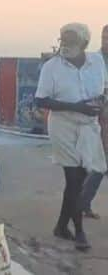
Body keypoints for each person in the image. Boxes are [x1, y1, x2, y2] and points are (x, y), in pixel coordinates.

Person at [35, 23, 106, 250]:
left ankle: (61, 226)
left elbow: (102, 91)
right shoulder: (52, 67)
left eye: (72, 42)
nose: (66, 46)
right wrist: (75, 107)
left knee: (81, 177)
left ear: (84, 43)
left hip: (88, 126)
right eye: (63, 41)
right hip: (63, 127)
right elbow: (41, 100)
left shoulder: (97, 62)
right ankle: (79, 232)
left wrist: (99, 103)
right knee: (74, 179)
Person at [81, 24, 108, 218]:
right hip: (100, 117)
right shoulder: (93, 61)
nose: (106, 42)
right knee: (98, 164)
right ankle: (82, 203)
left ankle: (83, 203)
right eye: (104, 37)